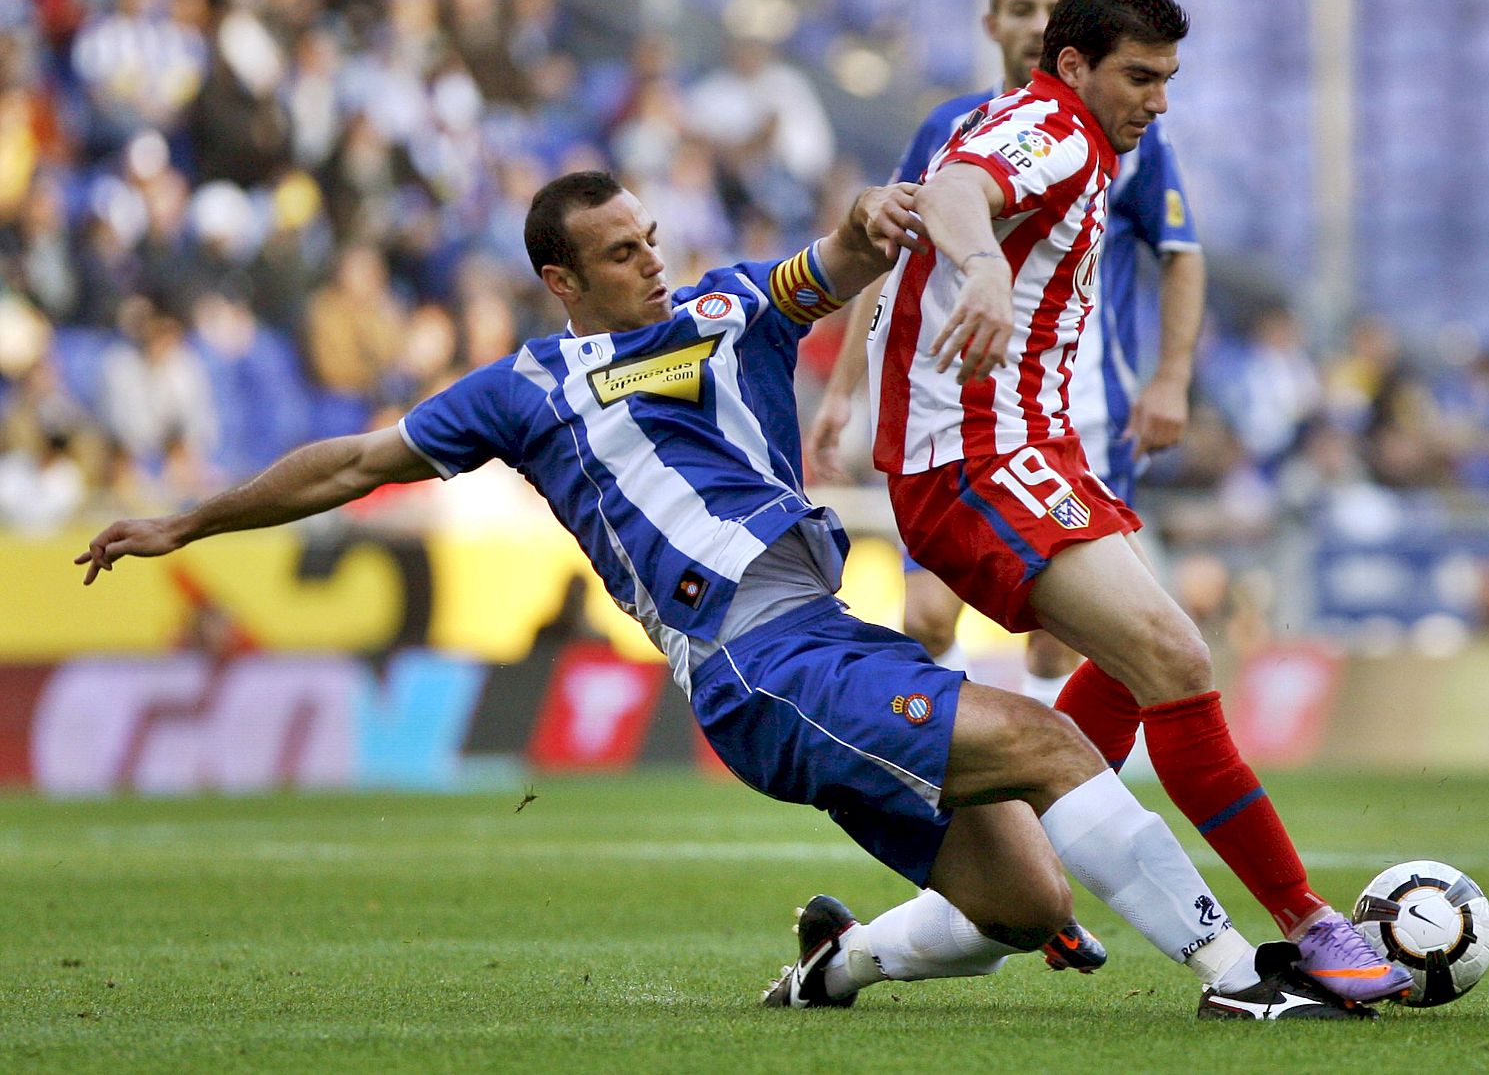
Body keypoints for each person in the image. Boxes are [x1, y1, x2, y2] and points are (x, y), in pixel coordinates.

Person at [77, 170, 1368, 1020]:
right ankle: (1239, 973)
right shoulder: (520, 391)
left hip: (823, 636)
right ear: (562, 283)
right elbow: (356, 463)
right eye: (619, 253)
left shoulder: (728, 306)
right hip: (754, 660)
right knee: (1047, 743)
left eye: (650, 238)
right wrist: (187, 522)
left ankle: (838, 962)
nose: (651, 261)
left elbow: (835, 258)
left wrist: (870, 218)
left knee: (1028, 909)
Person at [865, 0, 1410, 1004]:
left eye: (1168, 80)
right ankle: (1303, 927)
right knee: (1175, 654)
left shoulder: (1071, 131)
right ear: (1073, 65)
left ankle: (1009, 872)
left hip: (1032, 451)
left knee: (1130, 666)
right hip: (975, 460)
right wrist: (981, 266)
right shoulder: (1054, 130)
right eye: (1140, 78)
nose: (1158, 102)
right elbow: (956, 192)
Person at [810, 0, 1207, 715]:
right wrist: (842, 390)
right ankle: (985, 762)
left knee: (1073, 639)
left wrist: (1170, 377)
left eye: (1051, 8)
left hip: (1078, 412)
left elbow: (1181, 254)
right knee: (928, 616)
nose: (1035, 24)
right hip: (956, 416)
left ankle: (1054, 775)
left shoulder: (1131, 131)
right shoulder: (954, 126)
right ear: (992, 24)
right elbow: (893, 249)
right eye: (1021, 9)